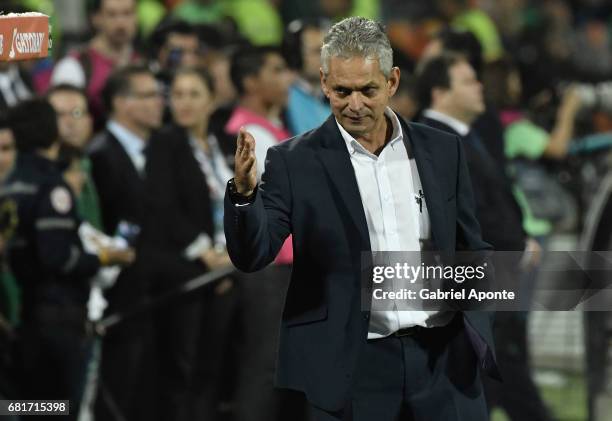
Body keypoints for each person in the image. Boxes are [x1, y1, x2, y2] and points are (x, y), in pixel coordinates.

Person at [224, 17, 497, 421]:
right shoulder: (293, 162)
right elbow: (254, 254)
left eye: (368, 90)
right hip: (354, 369)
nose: (355, 104)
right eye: (341, 91)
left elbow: (470, 246)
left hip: (444, 364)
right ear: (323, 82)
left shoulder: (442, 150)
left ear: (393, 81)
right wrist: (245, 197)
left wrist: (481, 324)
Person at [416, 53, 553, 421]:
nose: (479, 87)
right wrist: (515, 247)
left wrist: (521, 241)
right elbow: (465, 213)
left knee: (498, 373)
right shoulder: (433, 139)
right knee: (496, 371)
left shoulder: (466, 136)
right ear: (440, 92)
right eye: (467, 81)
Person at [2, 99, 133, 420]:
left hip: (27, 316)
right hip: (58, 318)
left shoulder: (11, 186)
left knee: (30, 408)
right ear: (51, 131)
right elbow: (57, 258)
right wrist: (105, 257)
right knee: (61, 408)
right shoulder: (51, 186)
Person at [143, 67, 235, 421]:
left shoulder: (221, 143)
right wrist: (206, 253)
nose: (183, 102)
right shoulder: (166, 143)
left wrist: (230, 251)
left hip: (225, 268)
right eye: (178, 95)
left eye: (193, 94)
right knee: (183, 367)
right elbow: (162, 207)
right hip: (188, 273)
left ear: (211, 101)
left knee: (212, 368)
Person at [89, 65, 163, 421]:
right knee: (118, 390)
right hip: (117, 292)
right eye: (147, 95)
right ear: (120, 103)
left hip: (147, 290)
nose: (158, 103)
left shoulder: (153, 150)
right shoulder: (102, 154)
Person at [50, 0, 140, 129]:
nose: (121, 23)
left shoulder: (145, 62)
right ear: (96, 19)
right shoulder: (74, 66)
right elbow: (63, 121)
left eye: (127, 13)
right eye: (112, 14)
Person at [47, 84, 103, 230]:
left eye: (77, 113)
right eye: (58, 115)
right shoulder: (38, 176)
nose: (69, 122)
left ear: (90, 121)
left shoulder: (95, 164)